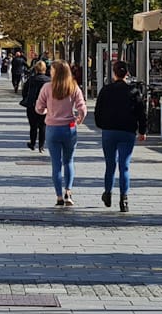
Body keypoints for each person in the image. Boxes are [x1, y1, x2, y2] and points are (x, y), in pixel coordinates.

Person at [94, 60, 147, 213]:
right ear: (127, 74)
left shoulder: (106, 90)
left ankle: (108, 192)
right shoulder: (133, 91)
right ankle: (124, 198)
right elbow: (141, 113)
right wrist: (142, 131)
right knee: (124, 166)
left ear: (114, 73)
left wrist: (102, 125)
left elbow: (98, 111)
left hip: (109, 131)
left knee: (110, 164)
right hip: (127, 131)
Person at [35, 61, 87, 206]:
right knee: (69, 161)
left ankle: (58, 196)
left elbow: (39, 108)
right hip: (69, 127)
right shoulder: (73, 86)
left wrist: (46, 111)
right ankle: (68, 192)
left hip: (52, 128)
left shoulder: (47, 87)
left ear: (55, 72)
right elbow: (82, 107)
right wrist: (79, 118)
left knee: (56, 164)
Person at [21, 60, 50, 152]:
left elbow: (24, 91)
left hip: (32, 105)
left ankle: (32, 143)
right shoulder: (49, 80)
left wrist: (26, 99)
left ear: (36, 69)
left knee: (33, 126)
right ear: (45, 69)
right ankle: (41, 146)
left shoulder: (31, 79)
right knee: (43, 126)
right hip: (45, 106)